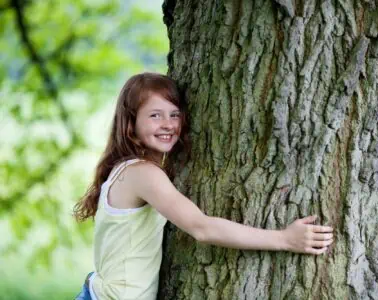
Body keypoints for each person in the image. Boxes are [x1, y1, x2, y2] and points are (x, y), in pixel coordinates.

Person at [73, 72, 334, 300]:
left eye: (174, 114)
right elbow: (202, 227)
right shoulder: (142, 173)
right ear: (131, 123)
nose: (168, 124)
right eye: (155, 115)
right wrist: (284, 239)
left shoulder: (129, 169)